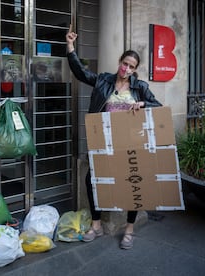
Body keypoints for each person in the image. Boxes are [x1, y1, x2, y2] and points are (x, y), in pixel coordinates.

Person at [66, 25, 162, 249]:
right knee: (93, 180)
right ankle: (96, 225)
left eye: (131, 66)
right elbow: (81, 72)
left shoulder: (140, 87)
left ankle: (129, 229)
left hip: (129, 142)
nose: (126, 68)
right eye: (124, 63)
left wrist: (143, 103)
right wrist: (70, 46)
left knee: (132, 183)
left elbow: (158, 106)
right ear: (119, 62)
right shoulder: (103, 80)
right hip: (103, 142)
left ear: (135, 69)